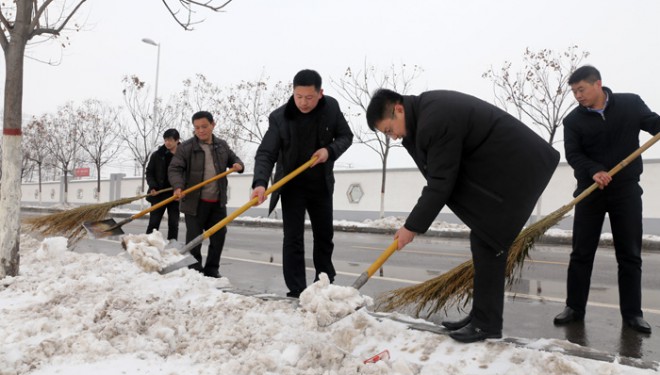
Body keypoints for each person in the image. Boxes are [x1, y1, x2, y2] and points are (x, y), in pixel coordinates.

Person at [366, 88, 560, 343]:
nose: (392, 137)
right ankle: (482, 316)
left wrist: (411, 227)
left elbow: (440, 183)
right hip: (502, 171)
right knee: (483, 241)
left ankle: (487, 324)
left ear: (398, 109)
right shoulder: (424, 116)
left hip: (518, 169)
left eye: (389, 130)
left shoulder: (433, 120)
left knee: (488, 243)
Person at [553, 65, 660, 334]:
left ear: (598, 84)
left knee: (630, 255)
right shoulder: (573, 121)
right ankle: (574, 308)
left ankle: (633, 314)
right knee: (581, 253)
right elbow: (574, 154)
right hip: (590, 193)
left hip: (626, 191)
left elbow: (653, 124)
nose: (577, 96)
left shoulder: (630, 104)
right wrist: (594, 170)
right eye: (574, 91)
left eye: (582, 89)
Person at [251, 69, 353, 298]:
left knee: (324, 235)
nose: (303, 102)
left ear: (320, 94)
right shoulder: (279, 117)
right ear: (293, 92)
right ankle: (296, 289)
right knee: (293, 238)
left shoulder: (331, 108)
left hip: (320, 185)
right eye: (299, 96)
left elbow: (346, 136)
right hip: (292, 186)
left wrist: (329, 151)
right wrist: (259, 183)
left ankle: (324, 282)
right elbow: (266, 153)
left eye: (309, 97)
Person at [168, 111, 244, 278]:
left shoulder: (221, 146)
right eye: (197, 128)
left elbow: (234, 159)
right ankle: (195, 271)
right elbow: (175, 169)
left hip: (217, 202)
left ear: (213, 125)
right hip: (194, 203)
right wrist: (178, 186)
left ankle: (212, 269)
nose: (201, 131)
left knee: (219, 237)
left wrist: (238, 164)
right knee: (195, 240)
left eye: (204, 126)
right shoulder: (186, 148)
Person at [145, 128, 181, 240]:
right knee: (153, 223)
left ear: (177, 140)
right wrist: (152, 186)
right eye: (165, 140)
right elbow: (149, 172)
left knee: (174, 224)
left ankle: (172, 246)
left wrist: (181, 188)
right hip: (158, 194)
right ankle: (147, 245)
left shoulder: (184, 155)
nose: (167, 142)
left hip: (175, 194)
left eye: (170, 140)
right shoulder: (157, 155)